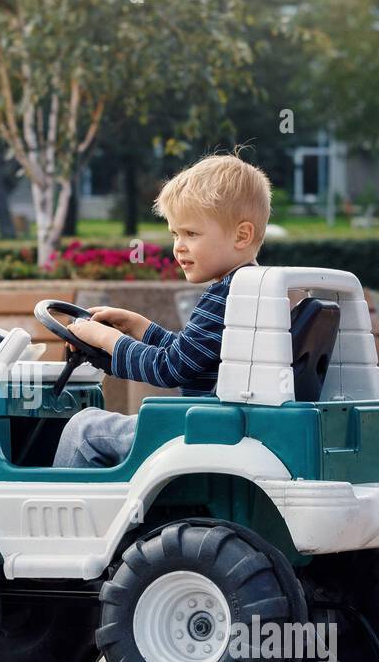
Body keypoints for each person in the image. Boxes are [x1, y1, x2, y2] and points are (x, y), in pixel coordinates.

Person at [52, 152, 271, 468]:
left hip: (201, 430)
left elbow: (168, 369)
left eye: (191, 233)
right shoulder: (248, 289)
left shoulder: (226, 296)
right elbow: (189, 356)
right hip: (221, 424)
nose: (179, 246)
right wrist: (140, 326)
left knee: (84, 428)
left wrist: (102, 337)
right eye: (175, 234)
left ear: (242, 235)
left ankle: (65, 512)